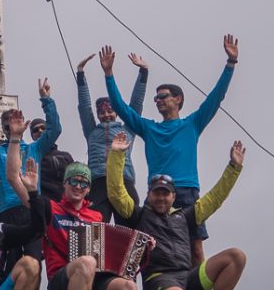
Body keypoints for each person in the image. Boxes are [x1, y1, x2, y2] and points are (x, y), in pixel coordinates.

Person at [3, 110, 168, 290]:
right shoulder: (50, 208)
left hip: (94, 282)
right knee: (87, 262)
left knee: (127, 287)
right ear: (64, 185)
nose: (78, 186)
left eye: (83, 182)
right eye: (73, 181)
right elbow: (13, 177)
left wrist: (143, 243)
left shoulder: (96, 215)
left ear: (89, 188)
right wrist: (14, 139)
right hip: (62, 281)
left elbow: (115, 247)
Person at [101, 35, 239, 266]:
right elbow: (121, 109)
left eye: (163, 96)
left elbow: (216, 98)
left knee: (195, 246)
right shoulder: (149, 128)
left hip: (186, 191)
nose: (158, 101)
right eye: (156, 98)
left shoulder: (192, 124)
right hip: (157, 192)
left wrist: (230, 63)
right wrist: (108, 75)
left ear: (178, 99)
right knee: (146, 243)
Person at [107, 132, 247, 290]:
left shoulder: (185, 216)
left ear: (173, 196)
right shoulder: (138, 215)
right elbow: (116, 193)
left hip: (188, 276)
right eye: (156, 193)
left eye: (166, 194)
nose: (161, 198)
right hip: (159, 279)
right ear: (149, 195)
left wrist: (234, 168)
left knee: (236, 256)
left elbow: (215, 198)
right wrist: (117, 155)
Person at [0, 78, 61, 275]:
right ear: (4, 129)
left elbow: (55, 130)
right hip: (7, 212)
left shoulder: (35, 148)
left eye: (15, 124)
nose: (11, 129)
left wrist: (46, 99)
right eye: (7, 127)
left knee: (34, 257)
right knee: (12, 260)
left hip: (31, 208)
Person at [75, 50, 148, 222]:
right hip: (98, 180)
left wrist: (143, 72)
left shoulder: (127, 129)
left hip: (123, 179)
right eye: (102, 113)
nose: (106, 115)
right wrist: (80, 73)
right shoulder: (92, 131)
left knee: (129, 225)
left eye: (110, 111)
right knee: (95, 227)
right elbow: (84, 106)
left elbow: (136, 104)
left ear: (116, 112)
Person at [29, 117, 73, 203]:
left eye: (43, 128)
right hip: (44, 206)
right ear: (32, 136)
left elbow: (75, 179)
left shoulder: (65, 156)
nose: (40, 131)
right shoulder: (30, 158)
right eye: (35, 130)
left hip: (66, 204)